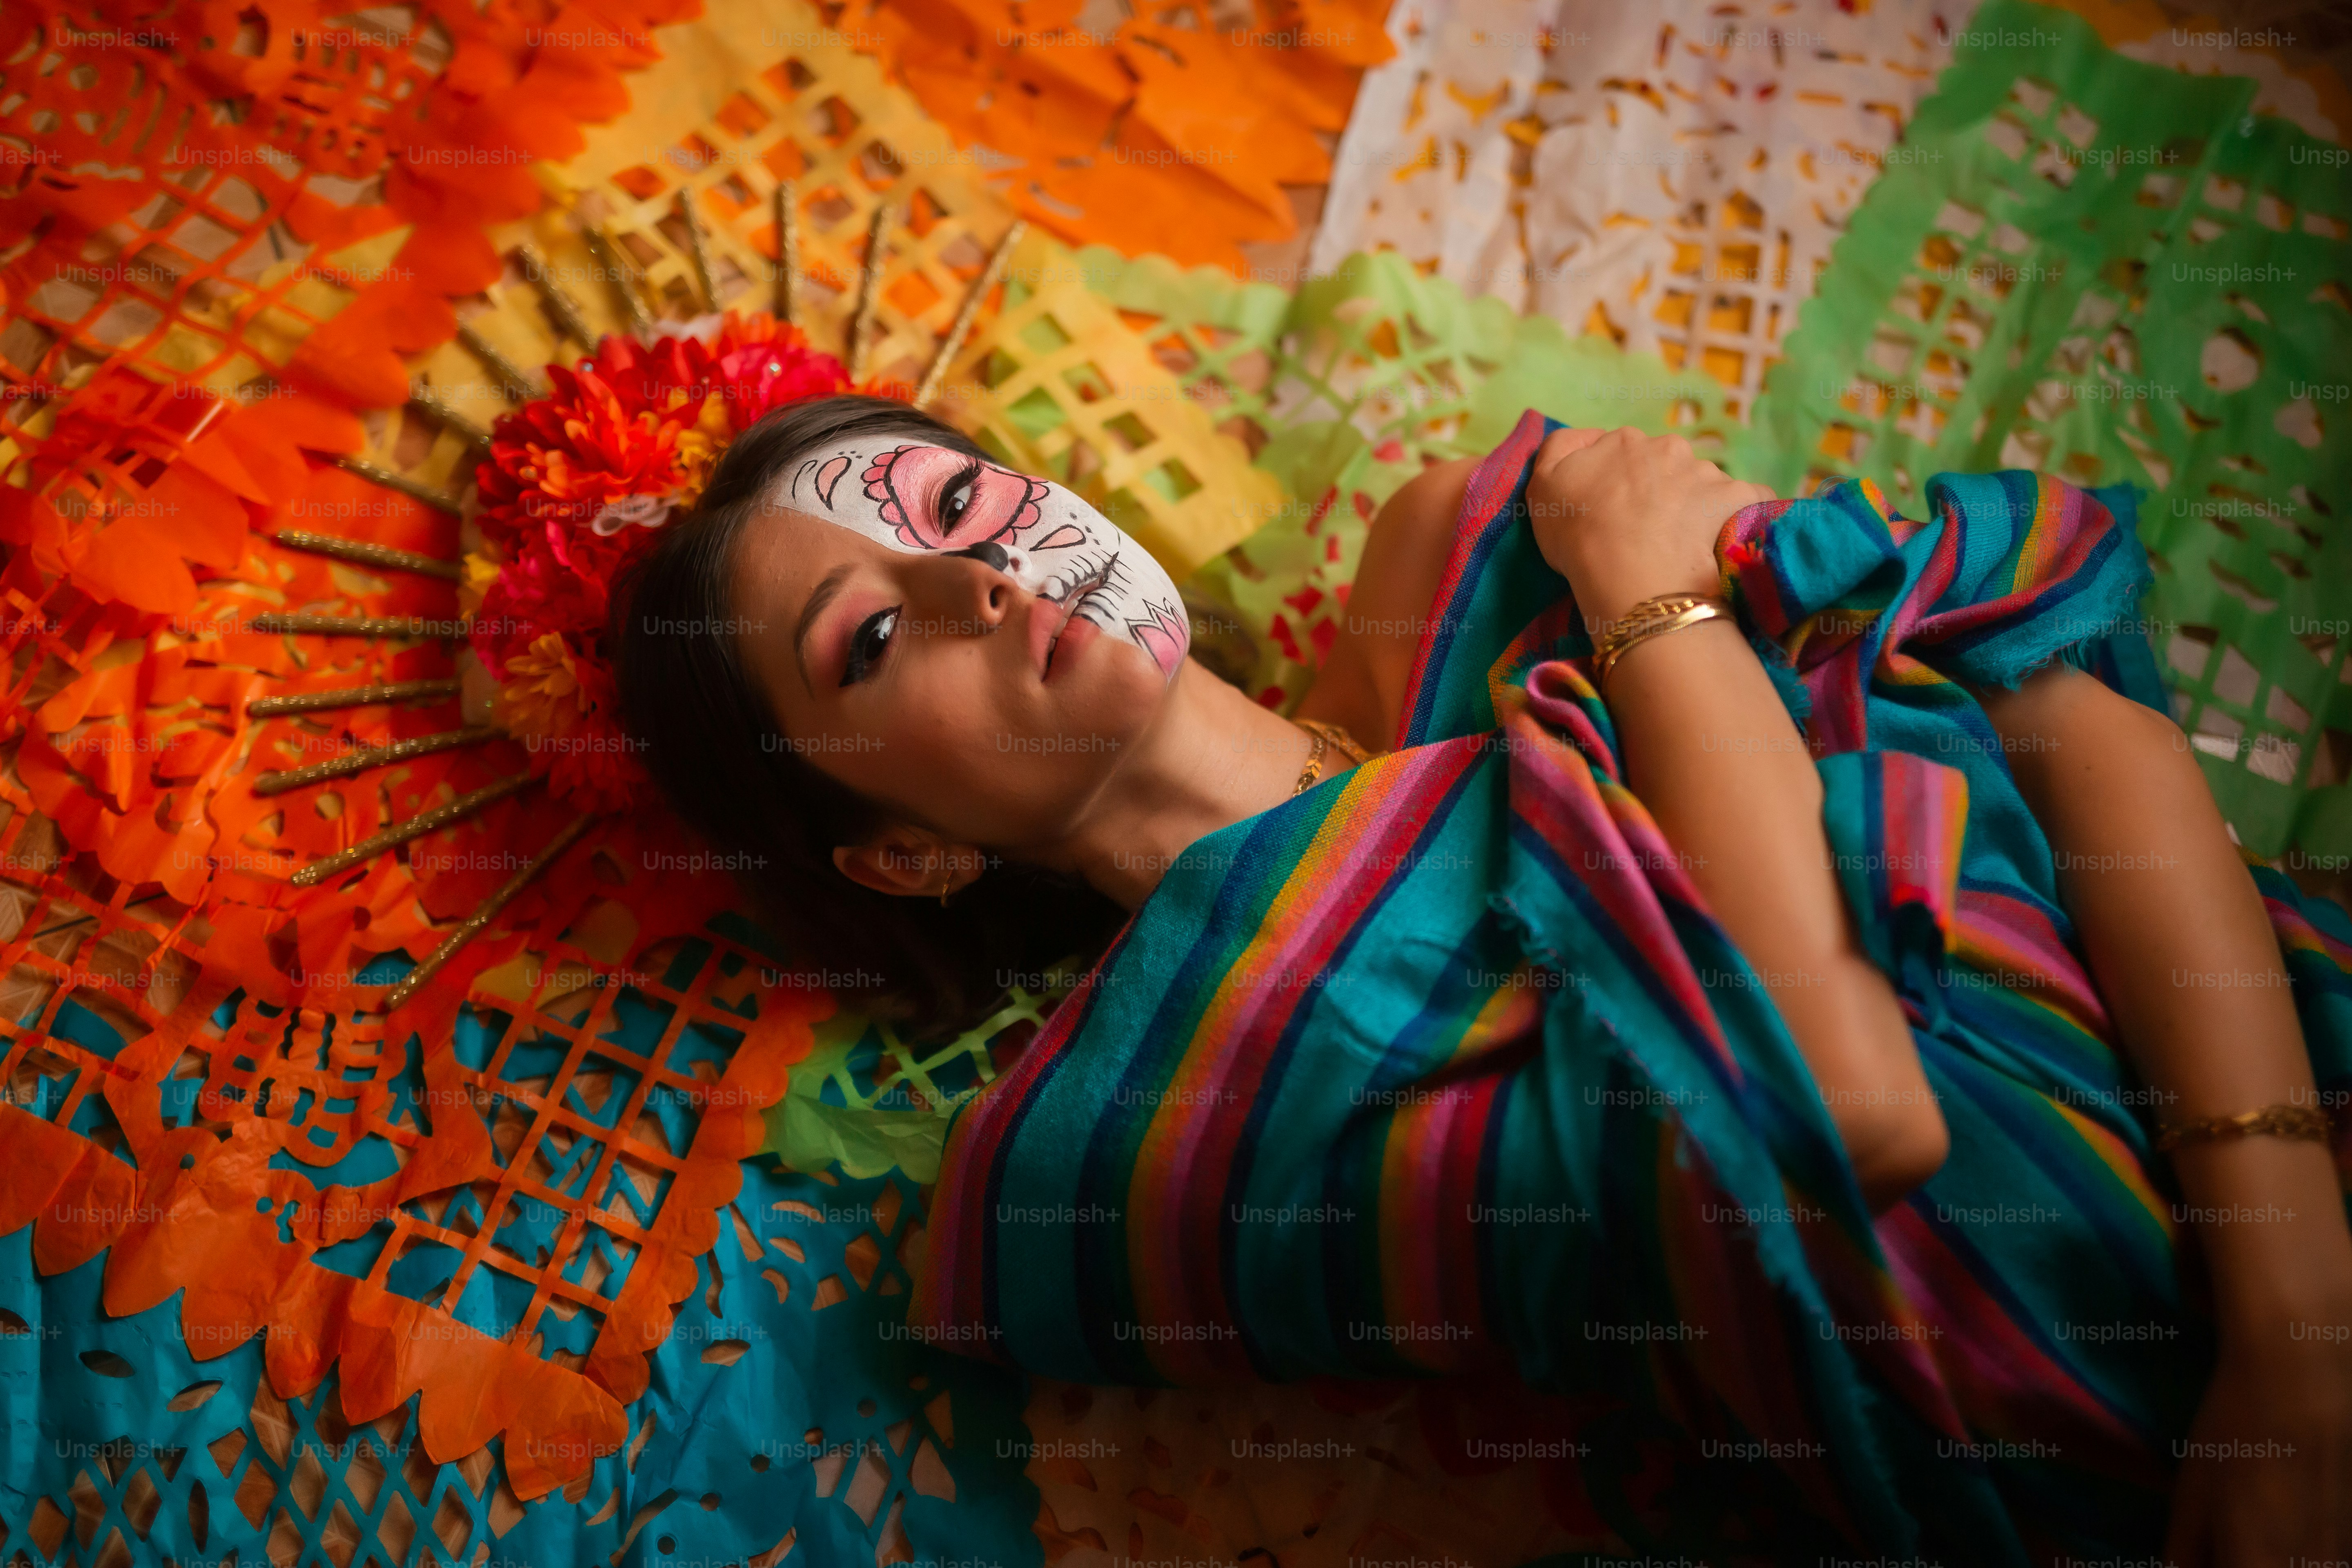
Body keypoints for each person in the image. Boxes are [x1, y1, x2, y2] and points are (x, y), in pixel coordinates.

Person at [617, 393, 2352, 1564]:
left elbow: (2058, 715)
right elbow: (1845, 1105)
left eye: (956, 499)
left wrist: (2295, 1320)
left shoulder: (1461, 555)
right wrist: (1657, 605)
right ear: (906, 856)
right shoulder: (1149, 1123)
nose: (976, 580)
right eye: (874, 634)